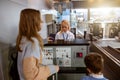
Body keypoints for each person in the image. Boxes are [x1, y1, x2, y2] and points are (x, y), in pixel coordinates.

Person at [16, 8, 59, 80]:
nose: (41, 22)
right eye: (39, 20)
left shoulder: (24, 39)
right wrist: (53, 68)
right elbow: (31, 74)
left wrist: (43, 40)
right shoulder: (32, 43)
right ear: (34, 22)